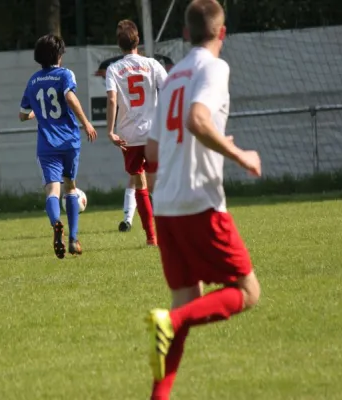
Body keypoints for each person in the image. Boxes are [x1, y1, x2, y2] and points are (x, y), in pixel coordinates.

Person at [144, 1, 262, 398]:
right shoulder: (215, 67)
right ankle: (172, 323)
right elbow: (197, 120)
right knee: (247, 292)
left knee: (184, 302)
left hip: (165, 207)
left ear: (184, 33)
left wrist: (210, 146)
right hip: (200, 203)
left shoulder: (173, 75)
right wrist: (240, 154)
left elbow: (152, 154)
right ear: (222, 34)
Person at [19, 34, 97, 259]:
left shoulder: (33, 81)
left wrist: (35, 113)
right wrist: (86, 122)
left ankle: (56, 223)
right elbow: (69, 98)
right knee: (71, 187)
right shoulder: (65, 74)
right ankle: (73, 239)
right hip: (69, 141)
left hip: (47, 144)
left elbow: (22, 115)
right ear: (59, 55)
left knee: (52, 191)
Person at [105, 20, 168, 246]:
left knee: (139, 184)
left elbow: (112, 99)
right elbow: (169, 87)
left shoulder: (113, 69)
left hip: (129, 136)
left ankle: (151, 237)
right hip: (153, 134)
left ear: (118, 44)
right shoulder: (152, 64)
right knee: (157, 185)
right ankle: (169, 231)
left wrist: (110, 130)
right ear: (137, 40)